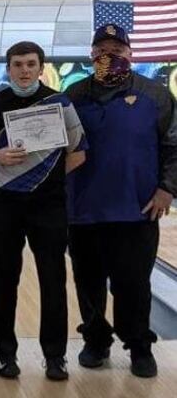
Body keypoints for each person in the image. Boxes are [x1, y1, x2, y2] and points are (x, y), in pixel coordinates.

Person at [65, 23, 177, 378]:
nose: (108, 55)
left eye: (116, 49)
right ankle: (96, 342)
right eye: (101, 49)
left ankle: (139, 346)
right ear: (91, 55)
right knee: (89, 282)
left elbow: (174, 146)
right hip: (82, 209)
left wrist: (167, 188)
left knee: (133, 283)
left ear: (130, 54)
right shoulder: (74, 93)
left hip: (137, 209)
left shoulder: (156, 95)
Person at [0, 41, 87, 381]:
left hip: (48, 206)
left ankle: (55, 357)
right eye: (17, 64)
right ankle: (5, 355)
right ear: (8, 69)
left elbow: (79, 152)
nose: (24, 70)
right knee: (4, 282)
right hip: (4, 205)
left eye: (30, 64)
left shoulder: (60, 102)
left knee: (53, 281)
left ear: (40, 67)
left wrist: (44, 179)